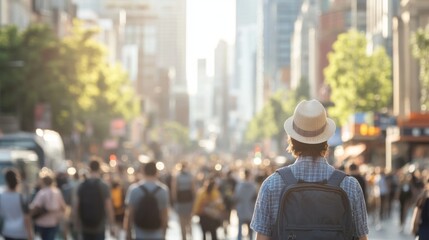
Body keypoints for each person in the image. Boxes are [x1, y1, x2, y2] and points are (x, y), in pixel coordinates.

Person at [250, 99, 369, 240]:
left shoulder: (271, 185)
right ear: (326, 139)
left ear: (292, 139)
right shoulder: (350, 186)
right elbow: (362, 237)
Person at [124, 161, 170, 240]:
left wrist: (128, 234)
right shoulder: (163, 190)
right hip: (157, 234)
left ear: (143, 171)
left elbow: (129, 214)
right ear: (156, 172)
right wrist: (164, 234)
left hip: (139, 233)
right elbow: (164, 215)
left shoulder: (134, 189)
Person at [75, 159, 116, 240]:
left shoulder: (81, 185)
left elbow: (76, 206)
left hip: (85, 225)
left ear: (89, 168)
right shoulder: (104, 186)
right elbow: (109, 207)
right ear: (99, 168)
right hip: (99, 226)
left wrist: (77, 223)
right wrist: (112, 225)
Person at [30, 168, 67, 240]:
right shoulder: (57, 192)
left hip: (41, 223)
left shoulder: (42, 193)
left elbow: (35, 207)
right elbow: (63, 207)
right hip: (53, 222)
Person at [0, 168, 34, 240]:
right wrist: (30, 235)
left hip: (7, 230)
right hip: (21, 231)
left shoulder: (1, 196)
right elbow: (27, 217)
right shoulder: (22, 197)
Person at [171, 161, 196, 240]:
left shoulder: (177, 176)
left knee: (182, 222)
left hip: (181, 201)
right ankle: (190, 236)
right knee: (189, 221)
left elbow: (174, 190)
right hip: (188, 201)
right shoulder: (190, 176)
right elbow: (193, 189)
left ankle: (184, 237)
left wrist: (174, 200)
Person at [234, 169, 257, 240]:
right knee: (250, 231)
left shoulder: (239, 186)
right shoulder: (253, 186)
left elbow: (236, 197)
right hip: (250, 210)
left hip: (241, 209)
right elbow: (256, 198)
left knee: (240, 230)